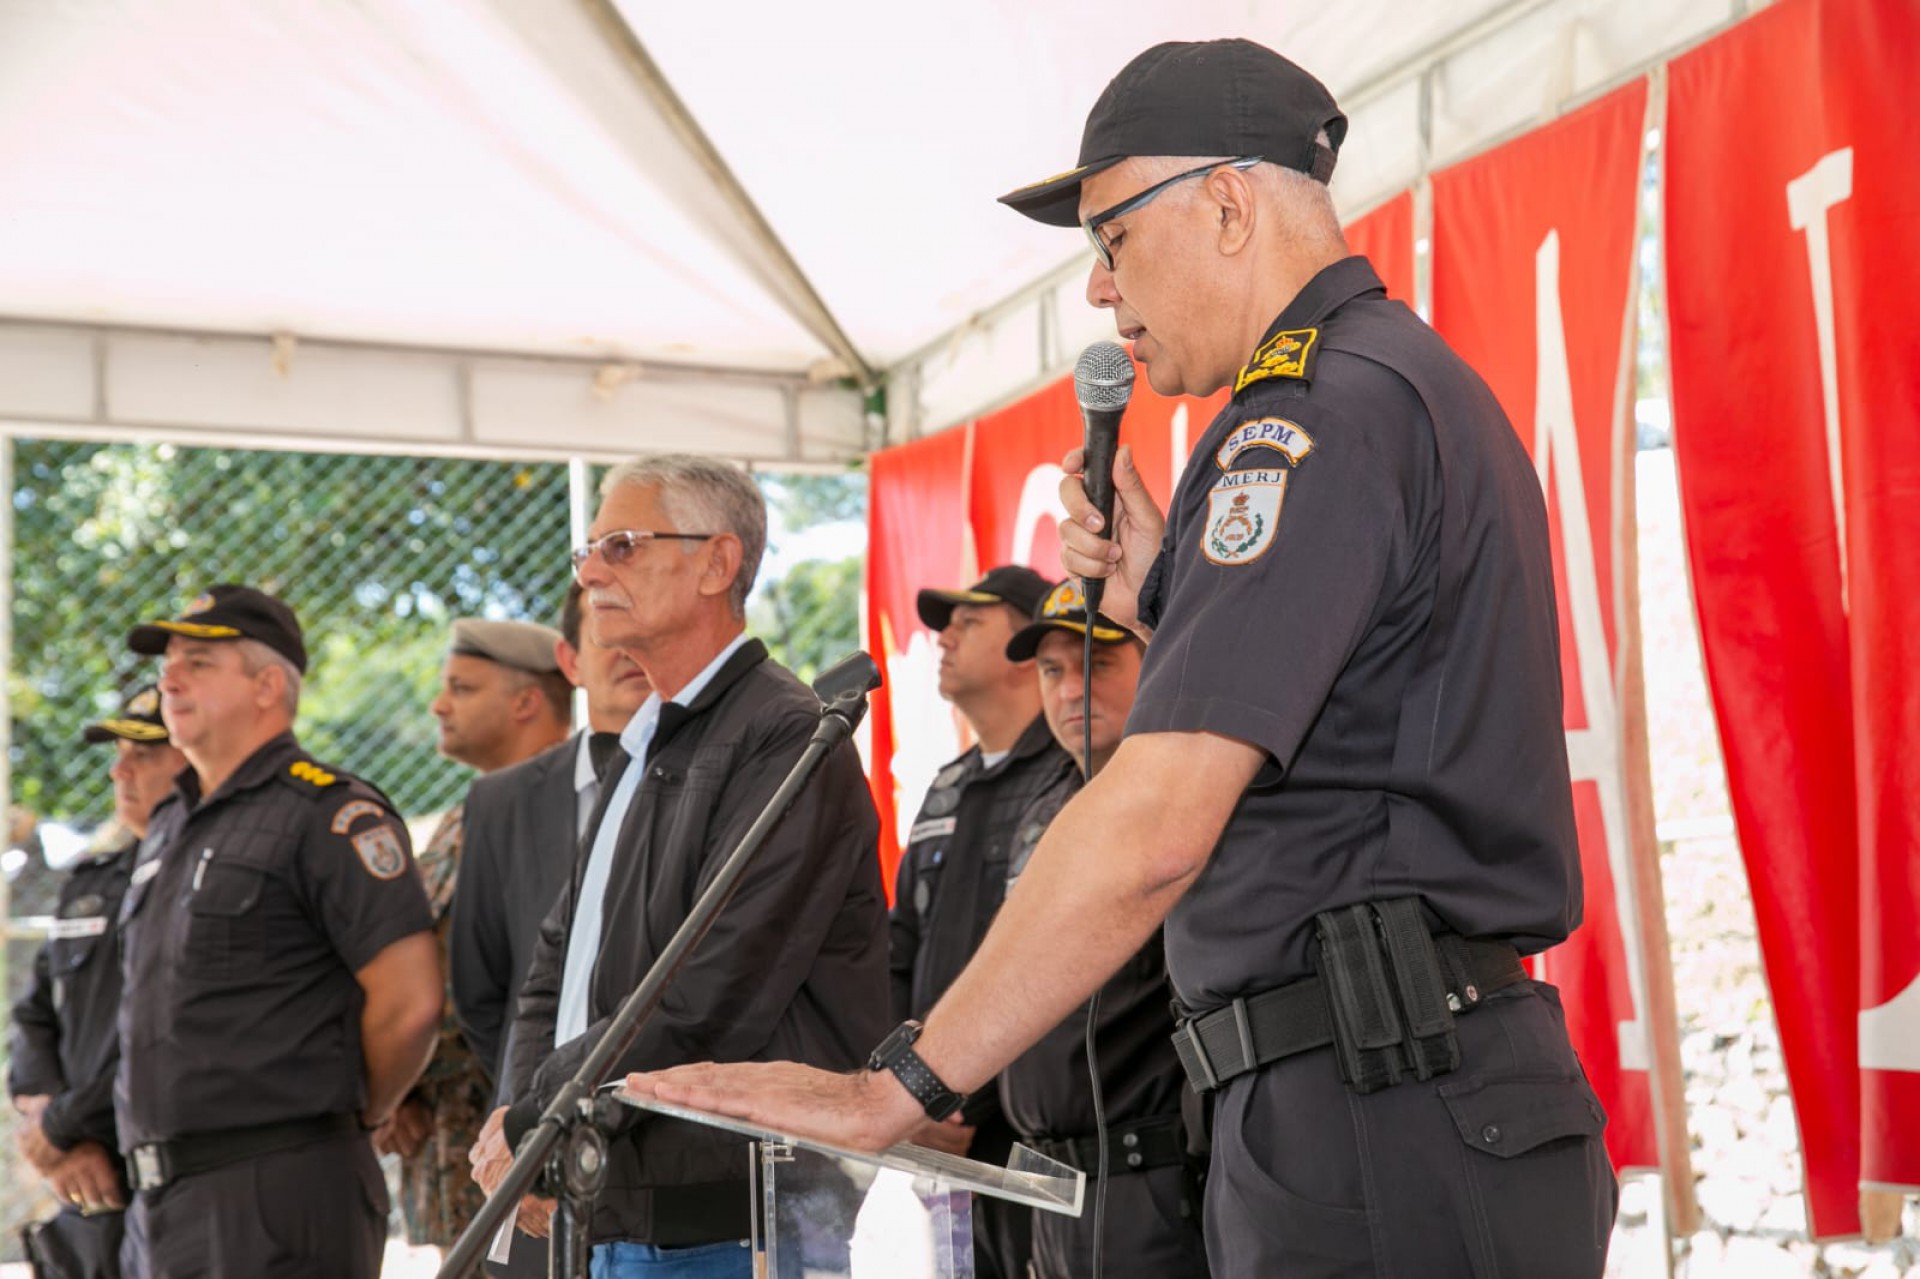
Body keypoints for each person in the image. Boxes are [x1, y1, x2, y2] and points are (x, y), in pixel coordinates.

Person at [629, 38, 1618, 1279]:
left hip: (1385, 1100)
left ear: (1228, 205)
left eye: (1114, 237)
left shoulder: (1309, 415)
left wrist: (897, 1087)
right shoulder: (1375, 388)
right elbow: (1359, 714)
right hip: (1372, 1090)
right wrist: (1165, 590)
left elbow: (1155, 824)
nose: (1100, 289)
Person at [470, 455, 888, 1279]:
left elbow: (709, 992)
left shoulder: (786, 735)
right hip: (614, 1210)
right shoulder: (646, 740)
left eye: (622, 546)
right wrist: (525, 1112)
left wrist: (542, 1115)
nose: (591, 572)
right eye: (588, 550)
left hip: (728, 1224)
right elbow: (556, 962)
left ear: (716, 563)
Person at [115, 584, 441, 1279]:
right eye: (168, 664)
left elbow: (409, 1002)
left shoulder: (326, 813)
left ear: (267, 686)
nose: (169, 679)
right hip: (160, 1205)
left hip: (277, 1194)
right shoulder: (169, 822)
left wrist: (357, 1111)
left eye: (199, 663)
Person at [997, 581, 1208, 1279]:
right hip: (1045, 1186)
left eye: (1098, 663)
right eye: (1051, 670)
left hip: (1152, 1184)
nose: (1070, 690)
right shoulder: (1042, 808)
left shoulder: (1192, 802)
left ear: (1155, 660)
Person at [450, 585, 650, 1278]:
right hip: (535, 1151)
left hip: (665, 1158)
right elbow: (483, 992)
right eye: (606, 632)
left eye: (642, 629)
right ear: (570, 660)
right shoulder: (500, 800)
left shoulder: (712, 780)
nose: (628, 650)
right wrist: (531, 1101)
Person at [891, 563, 1075, 1279]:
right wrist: (905, 1089)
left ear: (1028, 649)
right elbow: (900, 949)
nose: (945, 637)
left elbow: (1066, 963)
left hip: (1032, 1138)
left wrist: (964, 1103)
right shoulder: (947, 785)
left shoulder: (1072, 776)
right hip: (932, 1134)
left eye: (969, 621)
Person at [390, 618, 573, 1257]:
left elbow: (516, 989)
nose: (439, 705)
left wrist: (395, 1078)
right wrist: (394, 1087)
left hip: (520, 1143)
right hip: (451, 1157)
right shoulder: (463, 818)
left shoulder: (570, 812)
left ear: (527, 702)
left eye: (462, 689)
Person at [10, 686, 184, 1279]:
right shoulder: (92, 880)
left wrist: (62, 1126)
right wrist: (49, 1129)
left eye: (145, 755)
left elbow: (183, 1036)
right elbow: (35, 1015)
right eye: (118, 754)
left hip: (178, 1173)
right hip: (85, 1185)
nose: (119, 771)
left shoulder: (205, 878)